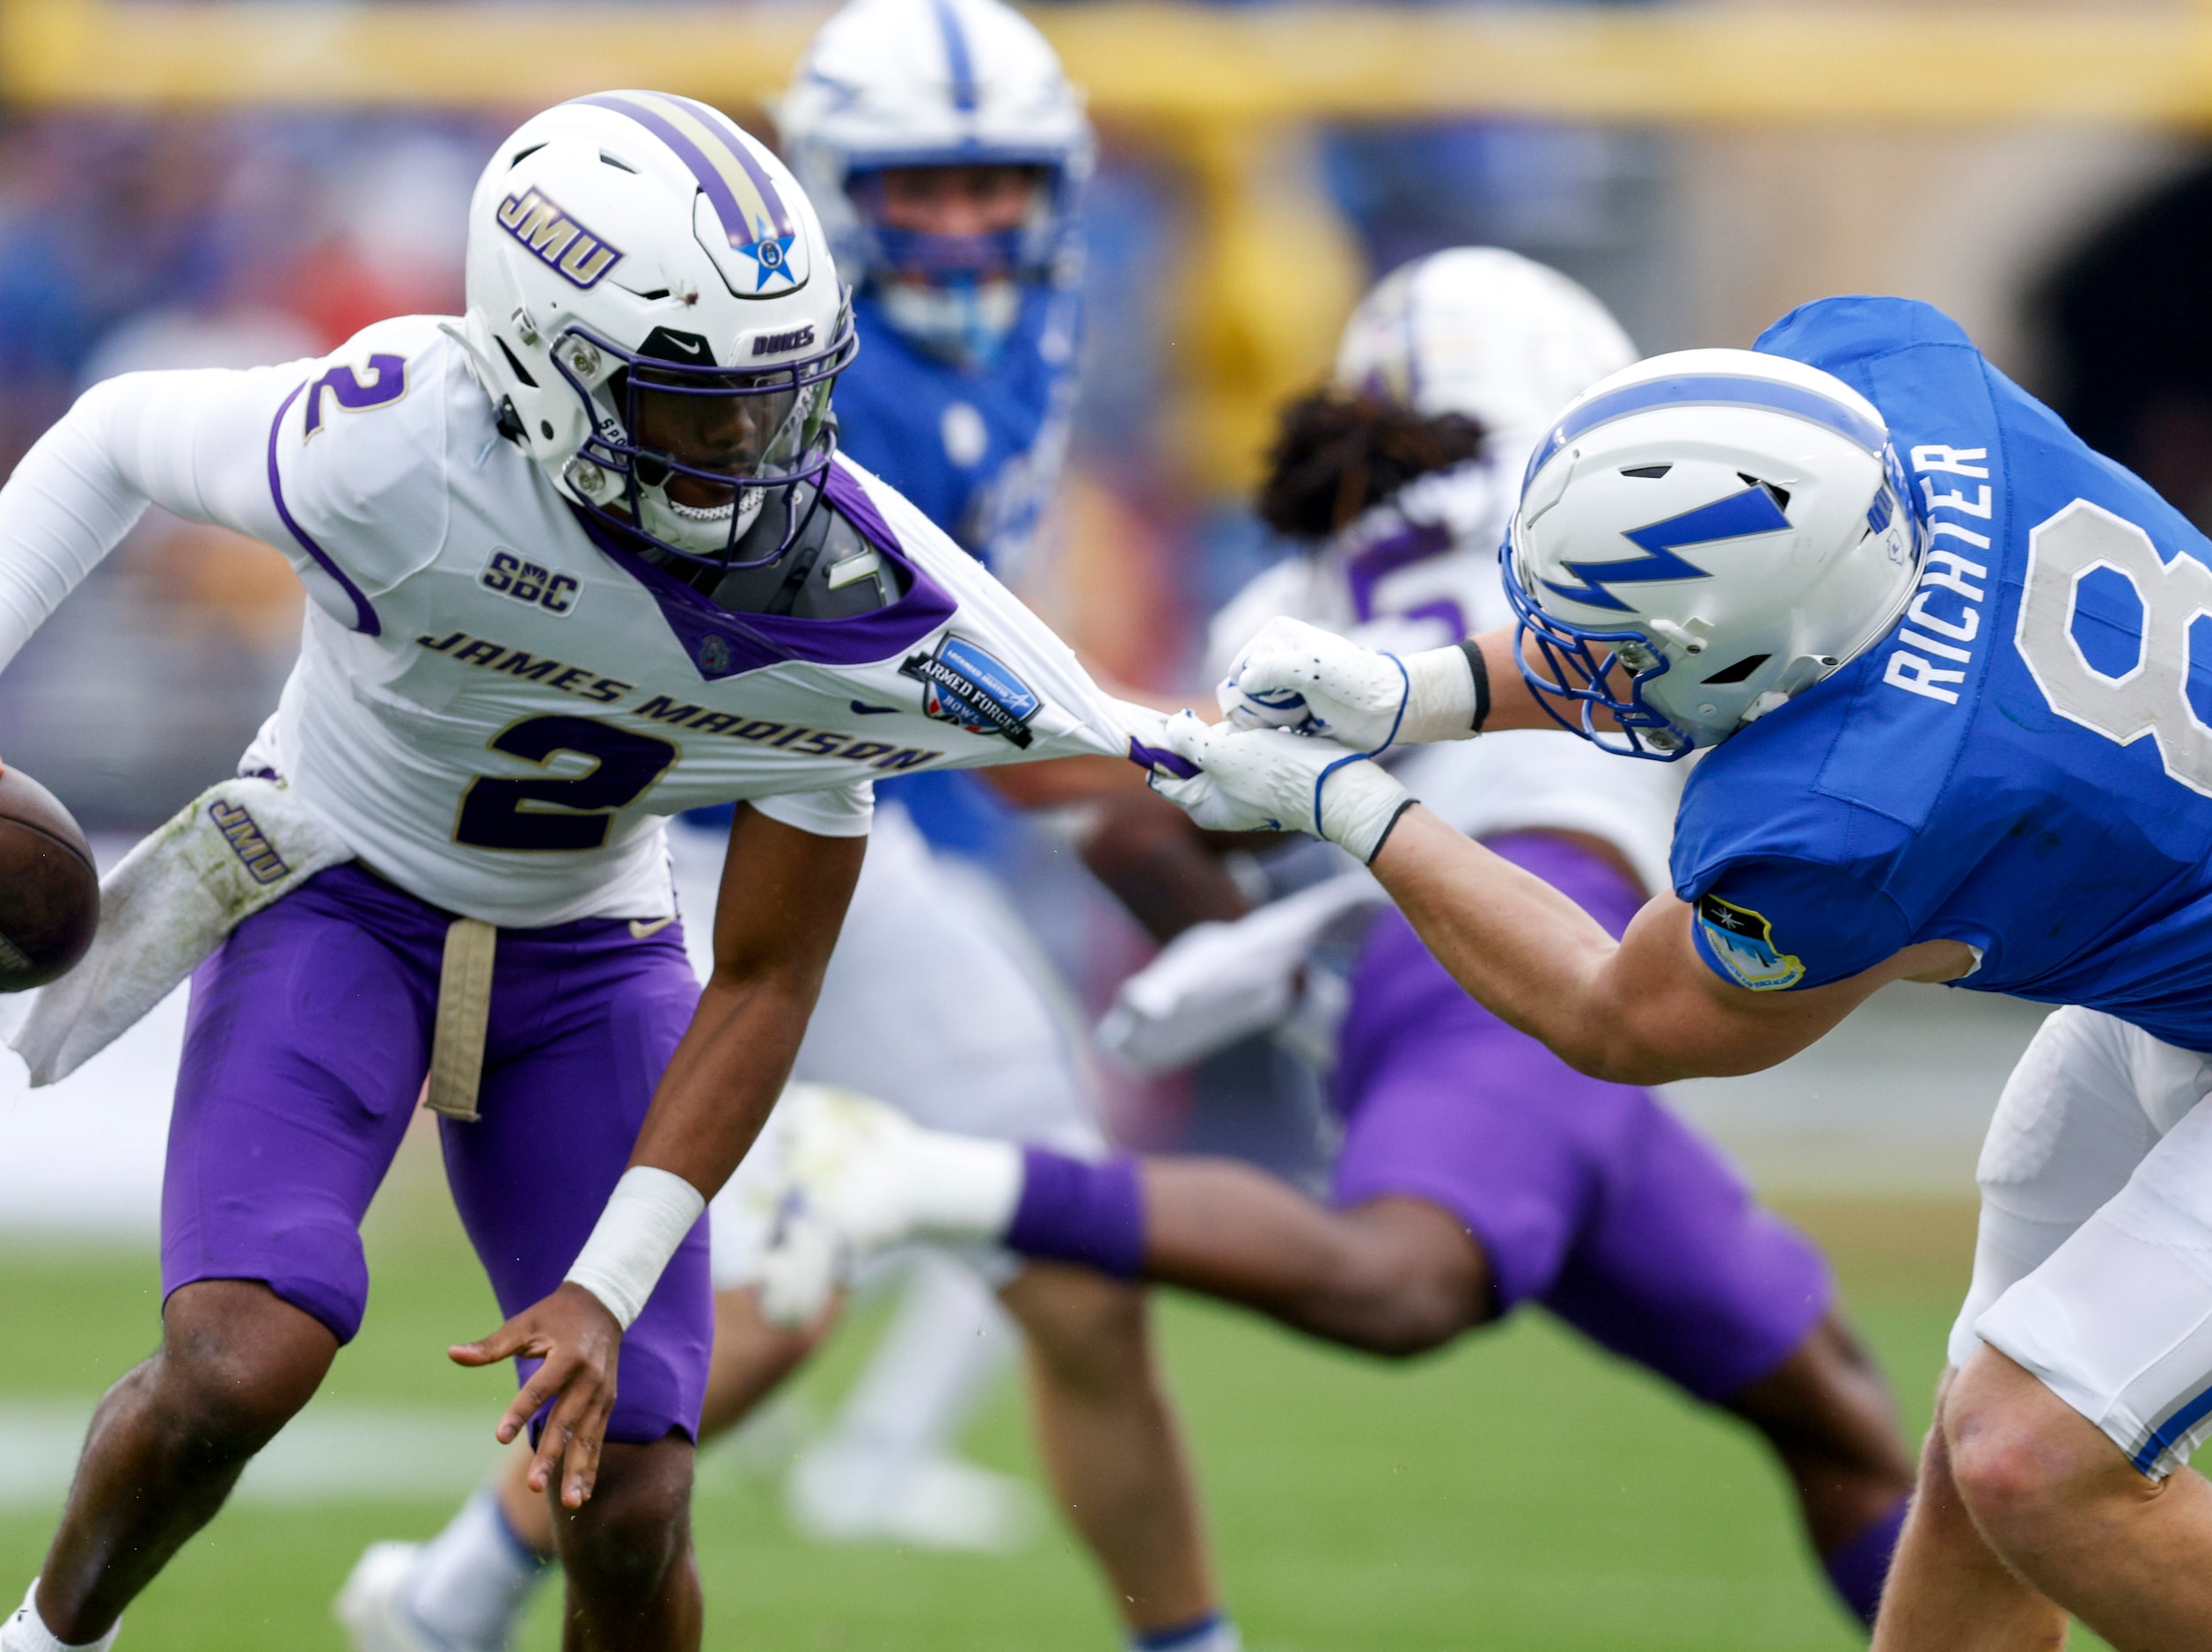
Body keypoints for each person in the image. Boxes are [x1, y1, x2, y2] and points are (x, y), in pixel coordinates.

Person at [0, 91, 1160, 1652]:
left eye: (775, 399)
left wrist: (605, 1285)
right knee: (239, 1360)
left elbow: (768, 975)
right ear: (546, 366)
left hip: (588, 949)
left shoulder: (836, 605)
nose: (748, 451)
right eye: (692, 405)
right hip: (338, 886)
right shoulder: (393, 441)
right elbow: (111, 434)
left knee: (637, 1493)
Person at [769, 255, 1924, 1631]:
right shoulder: (1640, 508)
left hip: (1446, 958)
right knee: (1403, 1280)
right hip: (1546, 936)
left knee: (1835, 1407)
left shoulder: (1297, 587)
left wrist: (1299, 963)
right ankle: (931, 1173)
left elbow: (1147, 833)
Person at [338, 6, 1240, 1651]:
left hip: (838, 817)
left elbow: (979, 689)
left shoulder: (1024, 327)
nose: (966, 226)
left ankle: (459, 1591)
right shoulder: (805, 377)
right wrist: (1178, 795)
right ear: (832, 185)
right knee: (1012, 1246)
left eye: (995, 185)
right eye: (922, 187)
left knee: (835, 1272)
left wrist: (1139, 786)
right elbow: (931, 703)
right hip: (743, 816)